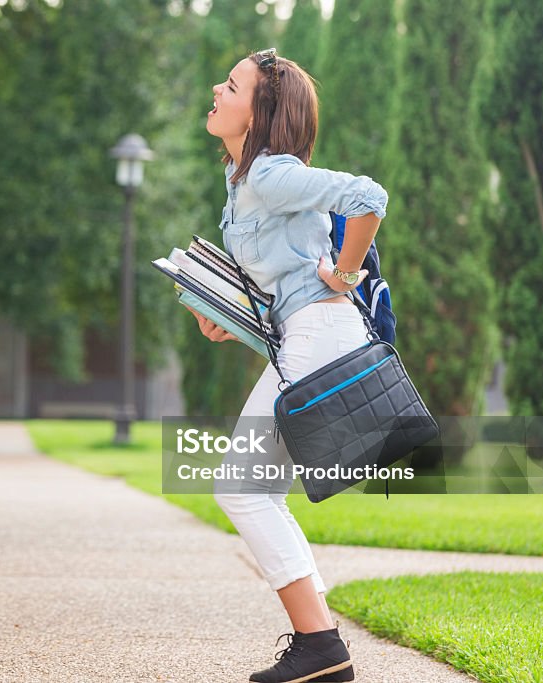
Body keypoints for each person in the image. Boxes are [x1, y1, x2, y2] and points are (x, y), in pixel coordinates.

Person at [193, 48, 389, 683]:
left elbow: (369, 197)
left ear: (262, 111)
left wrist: (345, 271)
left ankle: (321, 645)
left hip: (321, 332)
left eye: (231, 86)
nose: (217, 92)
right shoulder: (242, 181)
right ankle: (320, 646)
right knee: (254, 489)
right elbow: (284, 277)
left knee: (242, 487)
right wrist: (232, 321)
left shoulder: (272, 174)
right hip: (300, 334)